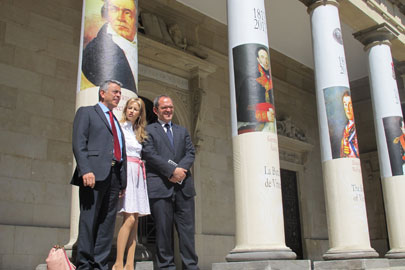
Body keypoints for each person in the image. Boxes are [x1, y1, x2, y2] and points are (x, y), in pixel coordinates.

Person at [71, 79, 127, 270]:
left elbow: (121, 152)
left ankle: (100, 264)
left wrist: (122, 181)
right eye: (115, 92)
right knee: (89, 221)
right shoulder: (87, 112)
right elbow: (79, 143)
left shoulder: (116, 122)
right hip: (93, 175)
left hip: (114, 178)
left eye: (120, 93)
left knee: (107, 223)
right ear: (102, 93)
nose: (119, 95)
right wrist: (85, 169)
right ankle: (84, 265)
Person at [142, 95, 199, 270]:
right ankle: (166, 266)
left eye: (171, 107)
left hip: (184, 189)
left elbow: (190, 153)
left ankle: (191, 266)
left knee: (187, 232)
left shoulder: (183, 131)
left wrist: (180, 170)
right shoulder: (148, 130)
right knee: (163, 232)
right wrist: (171, 171)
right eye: (164, 107)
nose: (168, 110)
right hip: (160, 188)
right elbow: (149, 154)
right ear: (156, 110)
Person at [113, 98, 150, 270]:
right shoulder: (119, 127)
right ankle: (118, 263)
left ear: (139, 113)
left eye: (136, 109)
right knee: (128, 219)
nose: (132, 111)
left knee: (135, 220)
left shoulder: (140, 132)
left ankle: (130, 264)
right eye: (130, 108)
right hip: (126, 171)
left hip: (138, 175)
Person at [82, 0, 137, 92]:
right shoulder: (94, 51)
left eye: (127, 12)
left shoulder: (132, 45)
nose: (121, 18)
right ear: (106, 15)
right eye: (114, 10)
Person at [236, 46, 275, 134]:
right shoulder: (250, 80)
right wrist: (265, 116)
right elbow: (241, 113)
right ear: (258, 59)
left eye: (266, 58)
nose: (265, 61)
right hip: (255, 129)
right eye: (262, 57)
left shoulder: (269, 81)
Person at [340, 91, 359, 158]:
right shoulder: (346, 128)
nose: (347, 109)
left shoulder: (354, 128)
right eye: (345, 104)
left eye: (350, 104)